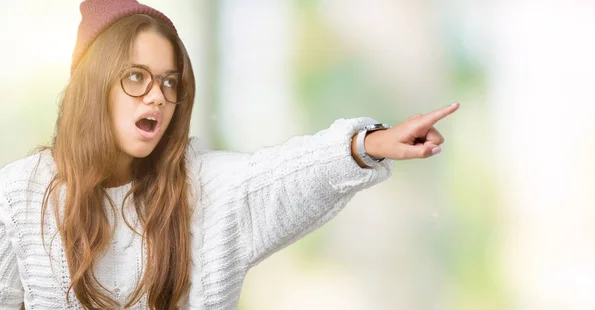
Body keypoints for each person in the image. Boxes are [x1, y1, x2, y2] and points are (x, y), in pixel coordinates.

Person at [0, 0, 459, 309]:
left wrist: (368, 145)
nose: (157, 97)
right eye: (136, 77)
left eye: (168, 82)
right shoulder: (21, 194)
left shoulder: (205, 187)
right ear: (93, 87)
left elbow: (286, 174)